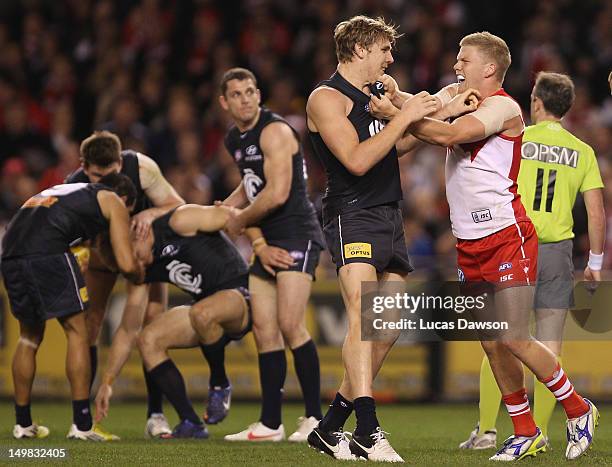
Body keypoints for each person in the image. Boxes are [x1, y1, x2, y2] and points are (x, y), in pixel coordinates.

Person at [405, 32, 599, 461]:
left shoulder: (504, 106)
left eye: (464, 59)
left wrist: (397, 114)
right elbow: (420, 106)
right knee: (491, 342)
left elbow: (444, 134)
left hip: (506, 237)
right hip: (467, 242)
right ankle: (525, 430)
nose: (456, 65)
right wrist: (391, 97)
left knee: (513, 336)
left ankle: (578, 408)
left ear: (489, 67)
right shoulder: (459, 93)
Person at [304, 15, 447, 462]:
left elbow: (395, 147)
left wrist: (419, 122)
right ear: (361, 49)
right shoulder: (325, 98)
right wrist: (404, 117)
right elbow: (357, 160)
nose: (390, 57)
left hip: (389, 214)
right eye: (384, 49)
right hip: (352, 214)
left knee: (387, 327)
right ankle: (367, 428)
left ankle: (330, 427)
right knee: (363, 315)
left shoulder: (376, 95)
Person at [459, 72, 605, 452]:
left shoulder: (519, 139)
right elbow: (596, 212)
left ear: (537, 102)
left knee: (500, 338)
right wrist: (596, 260)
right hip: (556, 252)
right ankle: (540, 427)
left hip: (512, 241)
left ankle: (489, 429)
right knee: (545, 343)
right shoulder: (583, 150)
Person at [219, 67, 326, 443]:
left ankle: (315, 419)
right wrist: (224, 210)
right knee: (264, 330)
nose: (245, 98)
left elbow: (278, 193)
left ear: (259, 94)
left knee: (290, 324)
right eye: (237, 94)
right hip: (266, 240)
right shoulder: (235, 137)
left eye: (250, 91)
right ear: (225, 102)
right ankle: (270, 423)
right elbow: (252, 186)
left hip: (298, 235)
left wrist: (238, 221)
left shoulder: (275, 131)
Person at [1, 173, 143, 441]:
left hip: (10, 252)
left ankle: (23, 425)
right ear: (124, 199)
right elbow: (125, 264)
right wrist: (140, 271)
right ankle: (81, 424)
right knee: (78, 331)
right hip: (48, 250)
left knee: (29, 337)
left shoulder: (70, 192)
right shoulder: (113, 199)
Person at [93, 203, 251, 439]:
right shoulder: (145, 267)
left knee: (202, 312)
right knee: (148, 339)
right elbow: (128, 330)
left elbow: (232, 216)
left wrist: (259, 244)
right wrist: (107, 382)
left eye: (134, 257)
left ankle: (219, 385)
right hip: (206, 311)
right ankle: (190, 422)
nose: (138, 266)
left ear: (138, 233)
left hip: (243, 297)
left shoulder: (178, 221)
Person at [66, 130, 184, 437]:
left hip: (142, 250)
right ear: (83, 166)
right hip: (101, 256)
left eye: (111, 174)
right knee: (89, 326)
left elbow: (176, 203)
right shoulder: (73, 184)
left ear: (121, 162)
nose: (105, 184)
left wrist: (148, 214)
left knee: (152, 325)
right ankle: (82, 419)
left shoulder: (142, 167)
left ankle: (155, 415)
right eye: (96, 176)